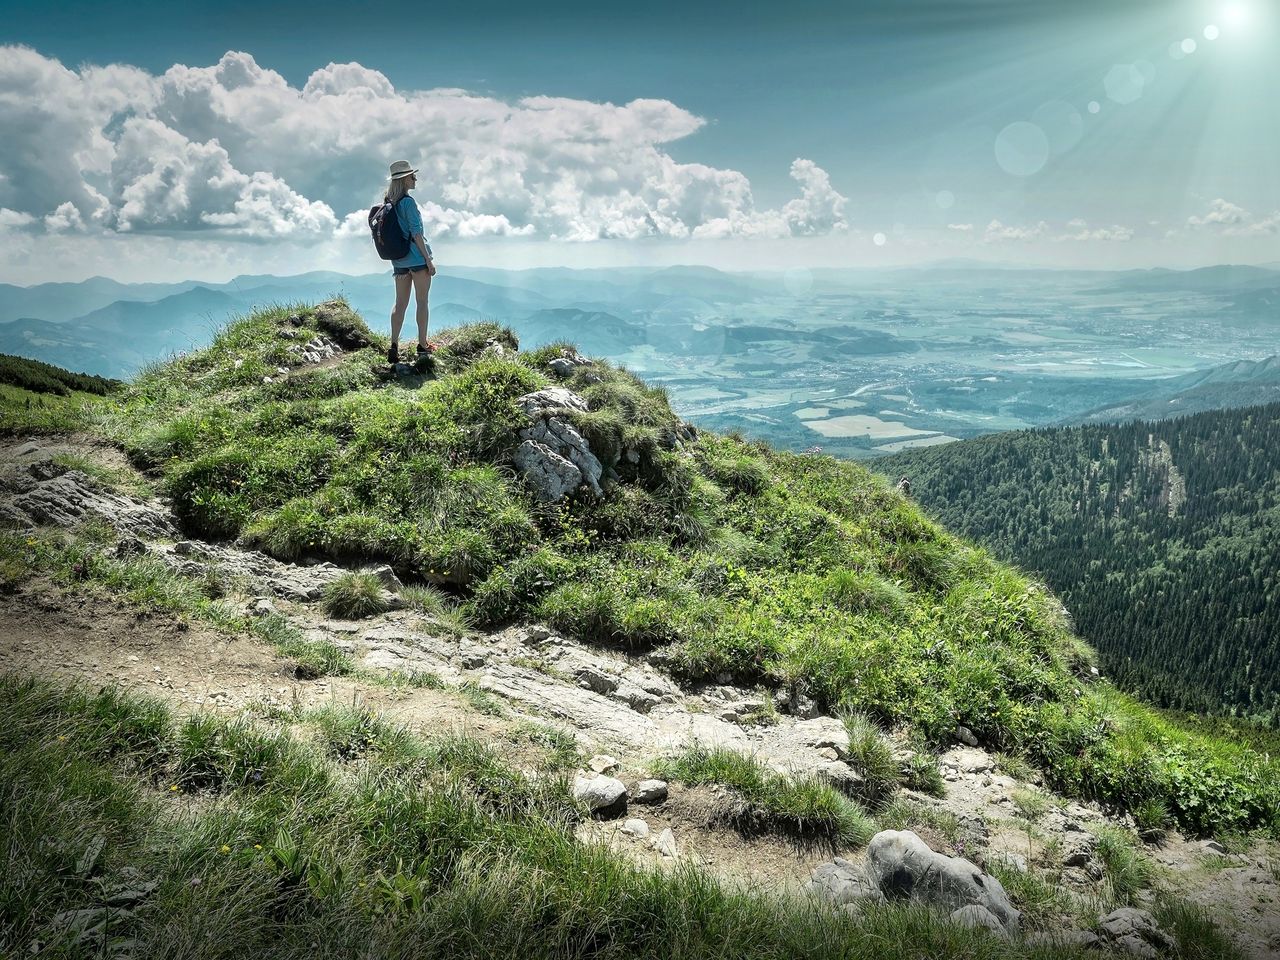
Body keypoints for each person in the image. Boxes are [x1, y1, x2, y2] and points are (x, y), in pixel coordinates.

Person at [384, 160, 436, 363]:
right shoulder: (408, 202)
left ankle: (394, 344)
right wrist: (428, 261)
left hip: (398, 261)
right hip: (416, 259)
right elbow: (417, 233)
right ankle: (423, 345)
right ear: (404, 179)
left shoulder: (388, 203)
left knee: (400, 304)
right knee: (422, 302)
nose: (415, 179)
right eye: (412, 176)